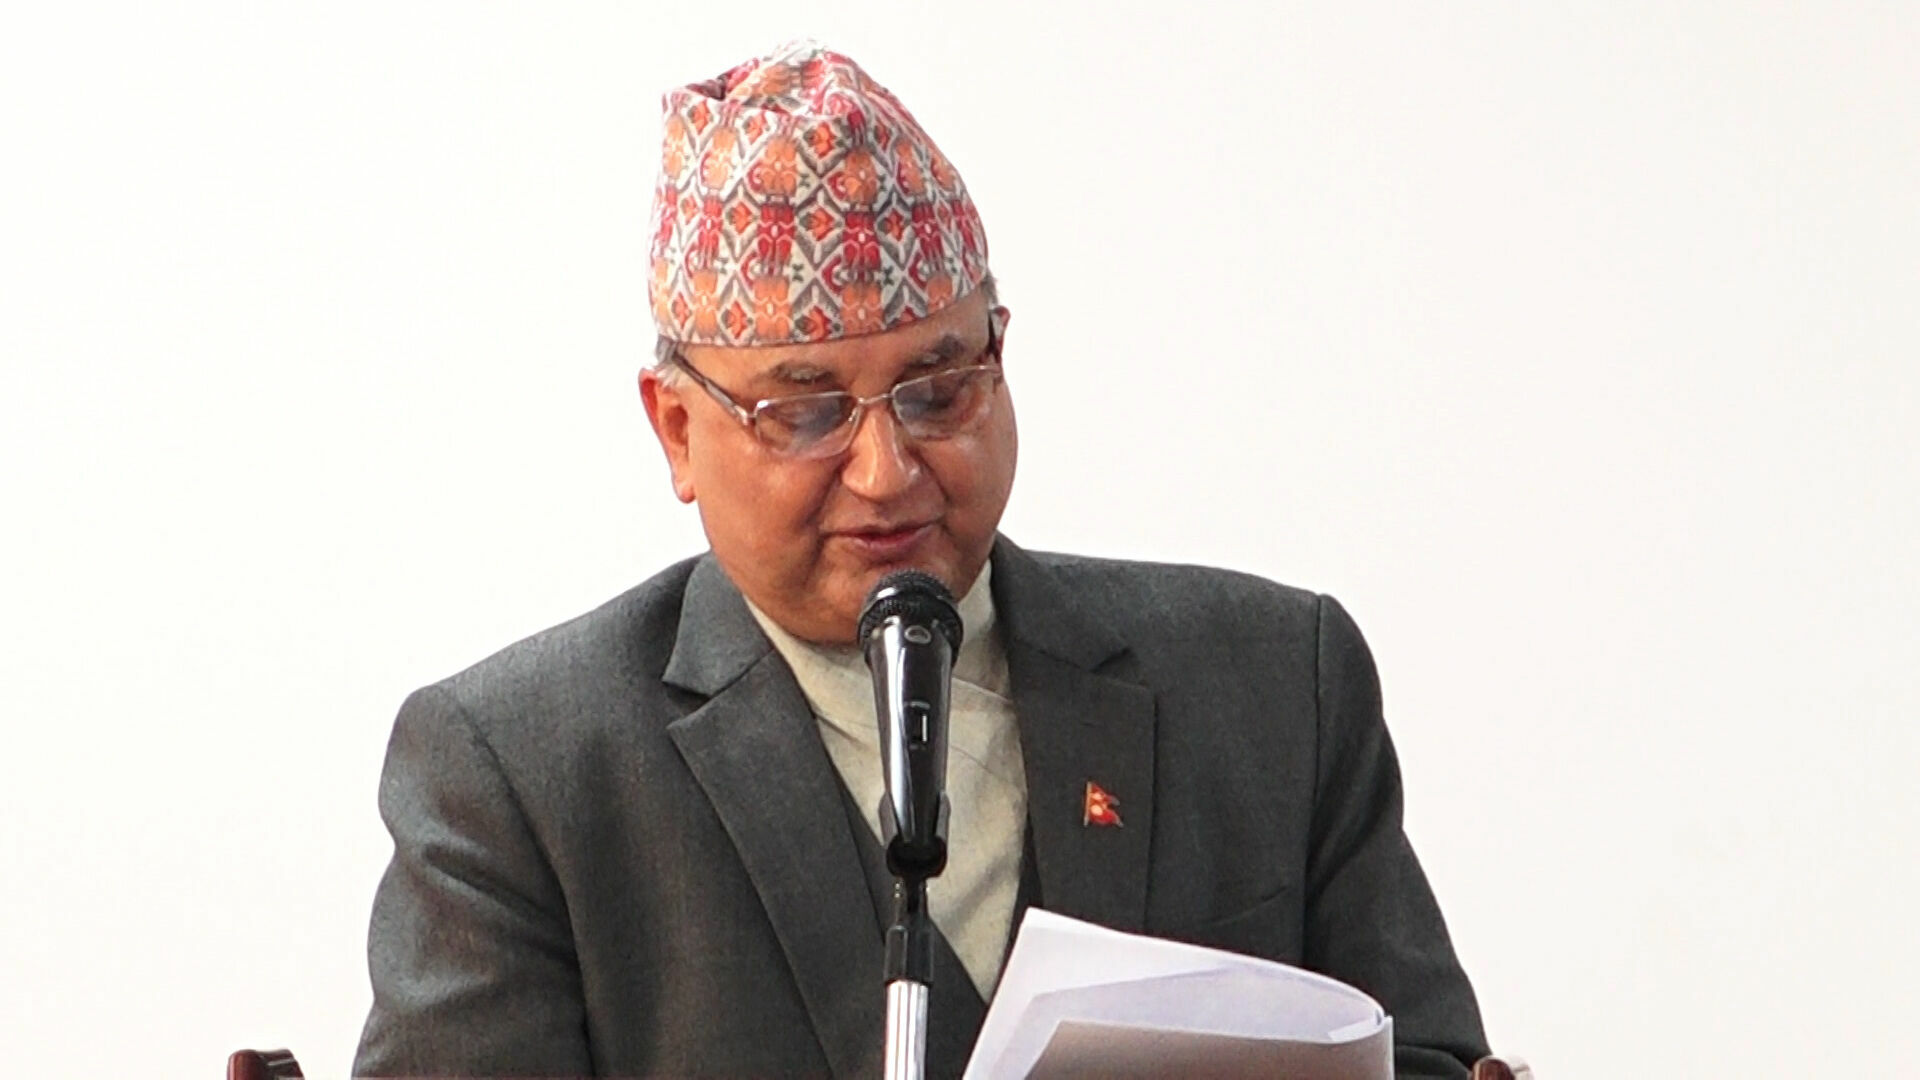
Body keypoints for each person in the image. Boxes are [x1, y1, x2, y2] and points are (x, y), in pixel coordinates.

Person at [354, 40, 1490, 1079]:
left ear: (1001, 359)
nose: (887, 471)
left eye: (938, 392)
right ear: (677, 430)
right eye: (805, 415)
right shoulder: (521, 779)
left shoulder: (1273, 687)